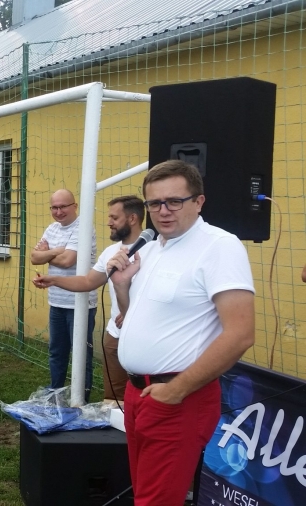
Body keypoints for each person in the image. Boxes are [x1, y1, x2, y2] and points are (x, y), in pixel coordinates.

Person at [106, 160, 255, 505]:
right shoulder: (152, 248)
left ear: (199, 201)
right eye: (154, 203)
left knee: (156, 500)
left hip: (178, 396)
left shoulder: (219, 246)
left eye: (174, 201)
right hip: (138, 392)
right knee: (145, 493)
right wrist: (122, 287)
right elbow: (139, 318)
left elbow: (241, 334)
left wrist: (177, 390)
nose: (163, 211)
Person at [32, 196, 144, 402]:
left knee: (146, 395)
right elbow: (87, 281)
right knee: (114, 400)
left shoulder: (155, 252)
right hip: (115, 333)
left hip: (145, 335)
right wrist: (53, 280)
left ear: (132, 219)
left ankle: (84, 398)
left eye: (114, 218)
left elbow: (162, 294)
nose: (108, 222)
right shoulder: (110, 252)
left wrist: (131, 312)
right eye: (109, 217)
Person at [30, 189, 97, 401]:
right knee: (56, 352)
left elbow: (68, 261)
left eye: (63, 207)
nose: (58, 212)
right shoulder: (52, 228)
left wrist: (47, 253)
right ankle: (55, 394)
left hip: (80, 303)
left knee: (81, 355)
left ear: (74, 206)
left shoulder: (83, 227)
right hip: (57, 301)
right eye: (54, 207)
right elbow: (34, 257)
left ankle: (81, 399)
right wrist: (57, 251)